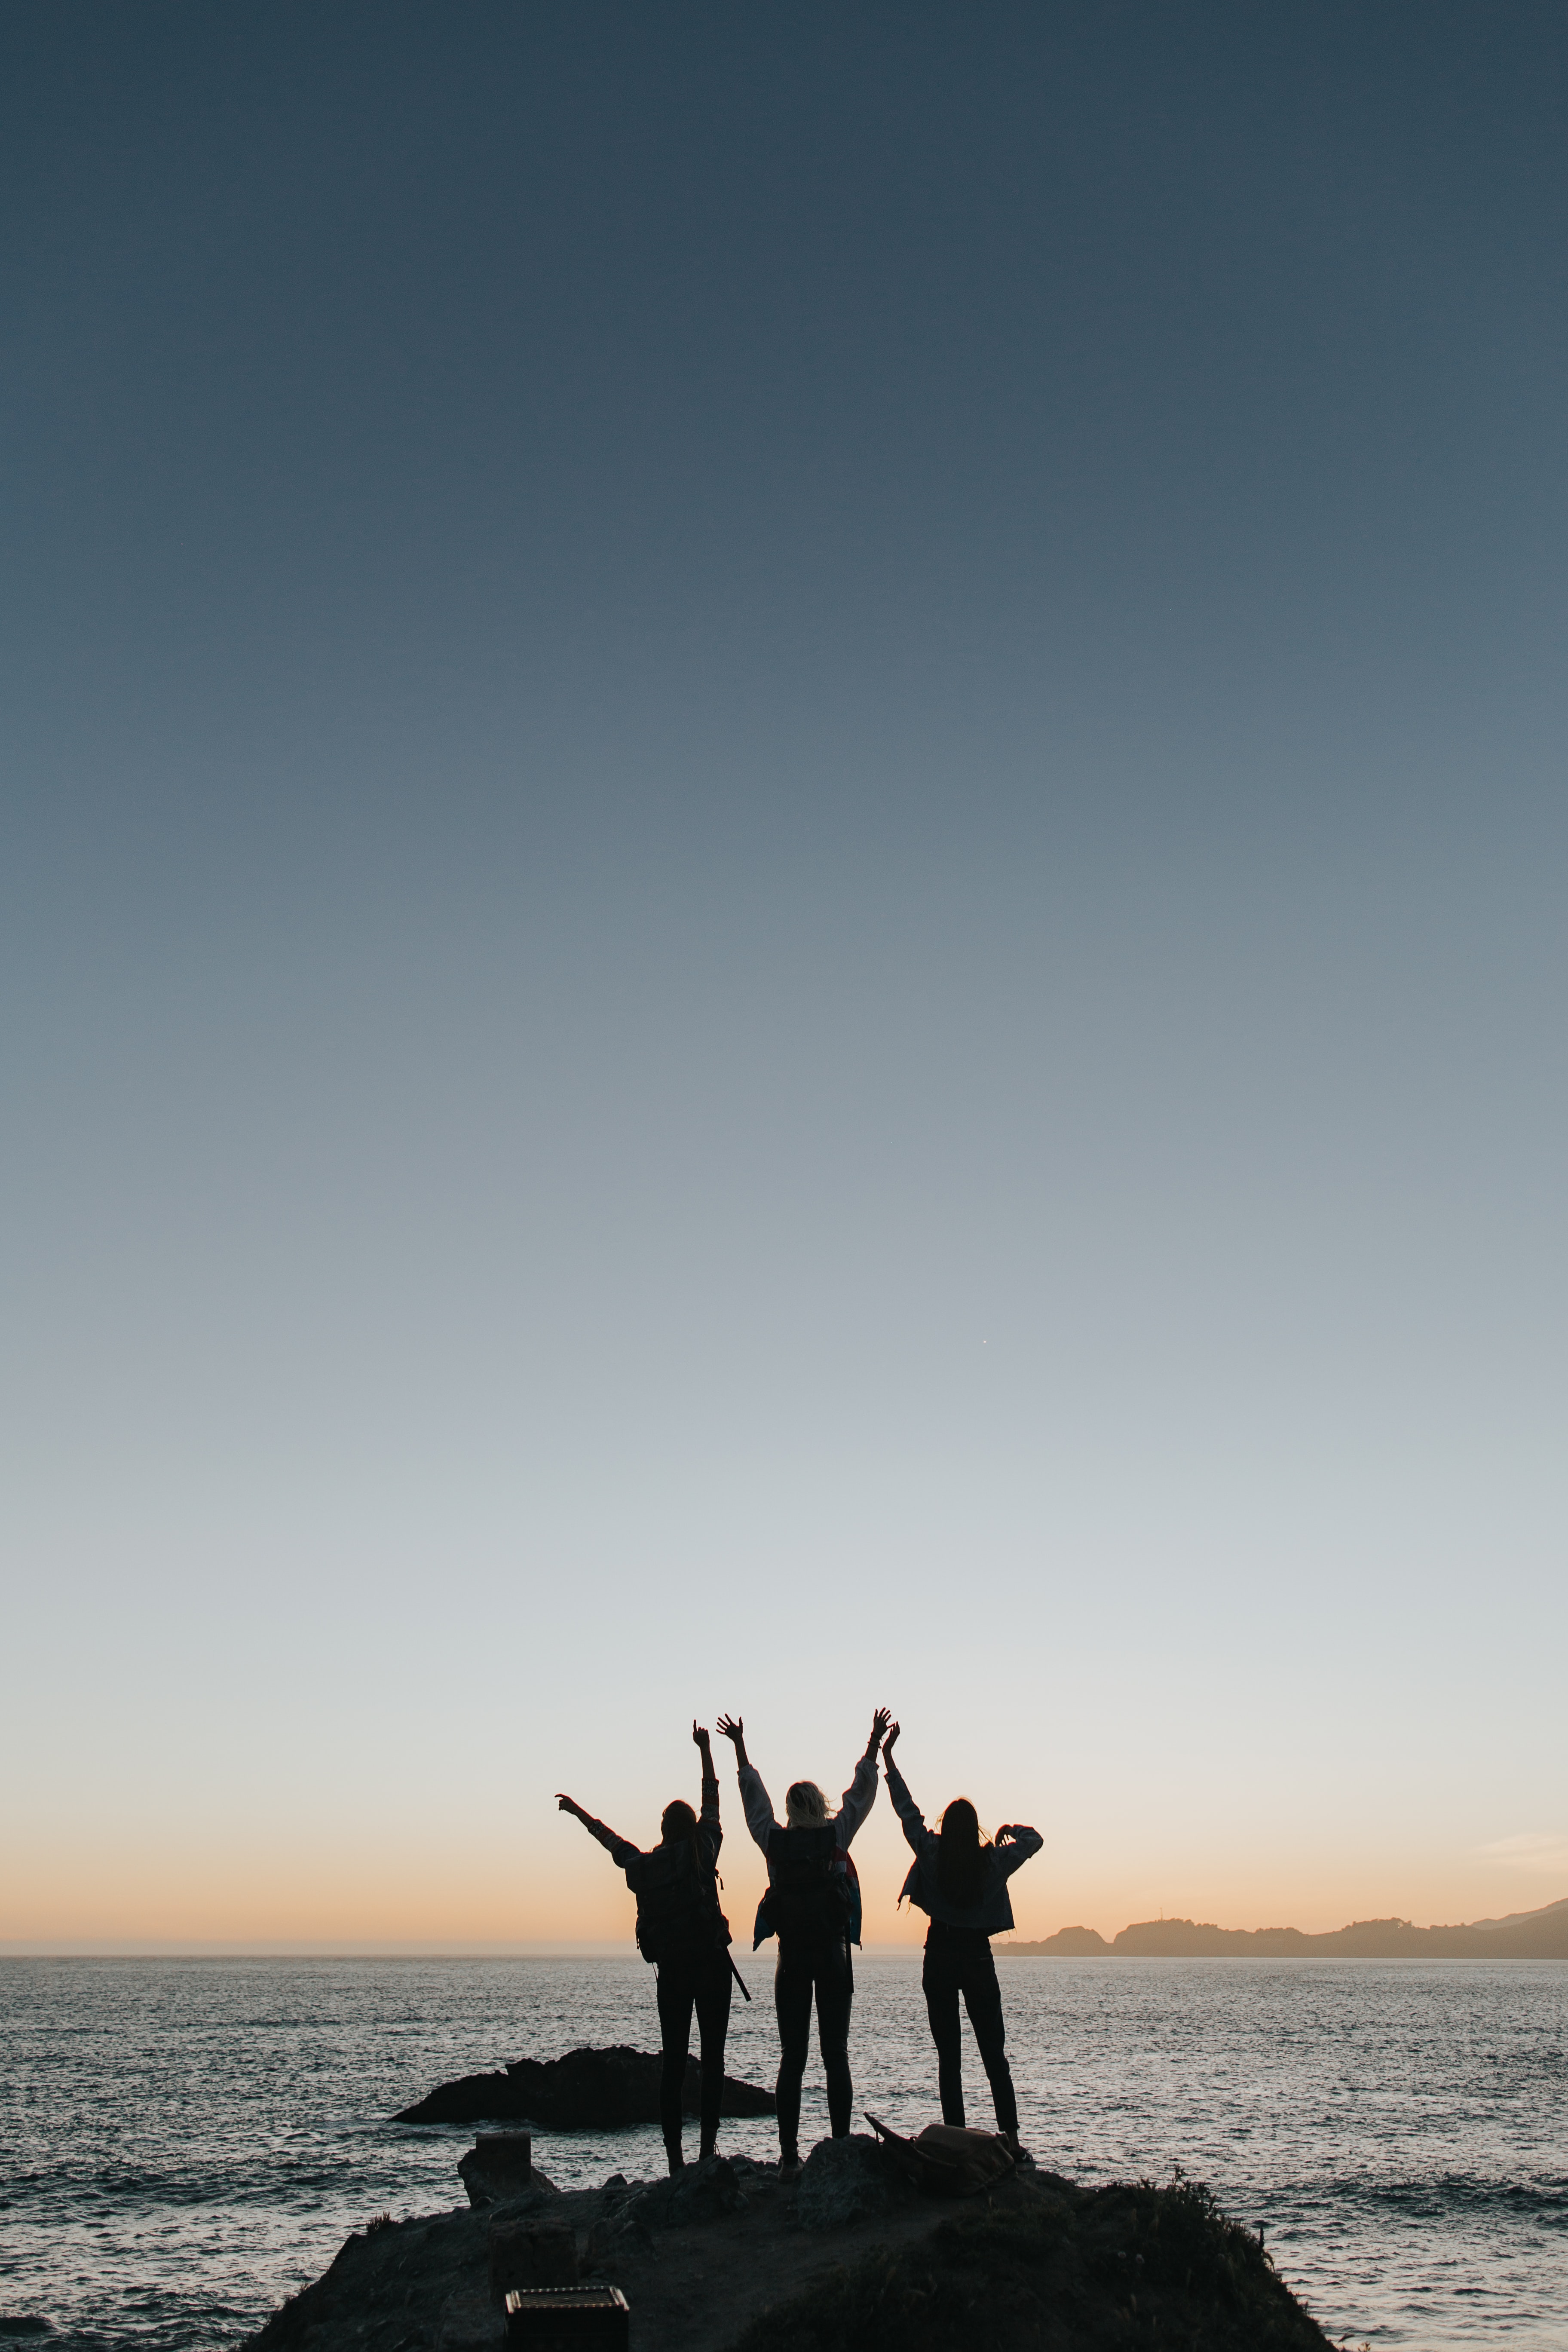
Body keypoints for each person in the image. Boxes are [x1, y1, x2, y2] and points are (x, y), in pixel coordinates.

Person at [716, 1706, 889, 2175]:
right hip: (833, 1958)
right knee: (837, 2054)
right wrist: (873, 1741)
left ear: (792, 1811)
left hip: (790, 1959)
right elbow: (863, 1792)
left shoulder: (774, 1842)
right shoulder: (837, 1836)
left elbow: (754, 1802)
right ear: (821, 1805)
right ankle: (836, 2148)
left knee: (793, 2056)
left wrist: (739, 1748)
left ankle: (789, 2157)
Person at [556, 1722, 733, 2174]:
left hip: (671, 1974)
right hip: (712, 1967)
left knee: (672, 2064)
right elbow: (712, 1800)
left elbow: (611, 1842)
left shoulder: (646, 1867)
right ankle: (708, 2150)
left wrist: (578, 1813)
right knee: (713, 2061)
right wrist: (706, 1750)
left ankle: (674, 2160)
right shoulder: (704, 1851)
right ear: (692, 1828)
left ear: (663, 1829)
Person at [881, 1720, 1042, 2161]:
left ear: (944, 1826)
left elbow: (905, 1809)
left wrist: (889, 1756)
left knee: (948, 2057)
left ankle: (953, 2140)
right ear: (974, 1828)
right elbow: (1035, 1841)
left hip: (940, 1953)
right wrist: (1012, 1827)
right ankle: (1011, 2141)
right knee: (994, 2054)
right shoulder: (992, 1861)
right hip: (976, 1956)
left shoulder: (930, 1852)